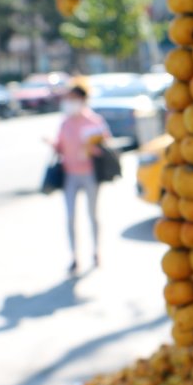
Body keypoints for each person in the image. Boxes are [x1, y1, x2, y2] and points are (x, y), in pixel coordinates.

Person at [53, 84, 109, 273]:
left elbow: (105, 145)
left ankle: (96, 251)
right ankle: (74, 256)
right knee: (70, 217)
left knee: (92, 214)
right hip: (70, 174)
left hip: (90, 173)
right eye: (68, 99)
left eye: (73, 98)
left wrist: (91, 147)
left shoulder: (94, 121)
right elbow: (59, 145)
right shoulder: (65, 122)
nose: (69, 102)